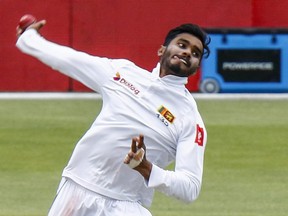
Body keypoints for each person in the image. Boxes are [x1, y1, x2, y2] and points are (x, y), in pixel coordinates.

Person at [16, 19, 210, 216]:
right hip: (76, 190)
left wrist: (146, 168)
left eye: (196, 53)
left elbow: (190, 187)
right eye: (182, 44)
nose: (187, 52)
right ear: (161, 50)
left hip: (125, 205)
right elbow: (69, 59)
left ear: (196, 68)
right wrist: (29, 39)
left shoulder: (190, 118)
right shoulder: (123, 73)